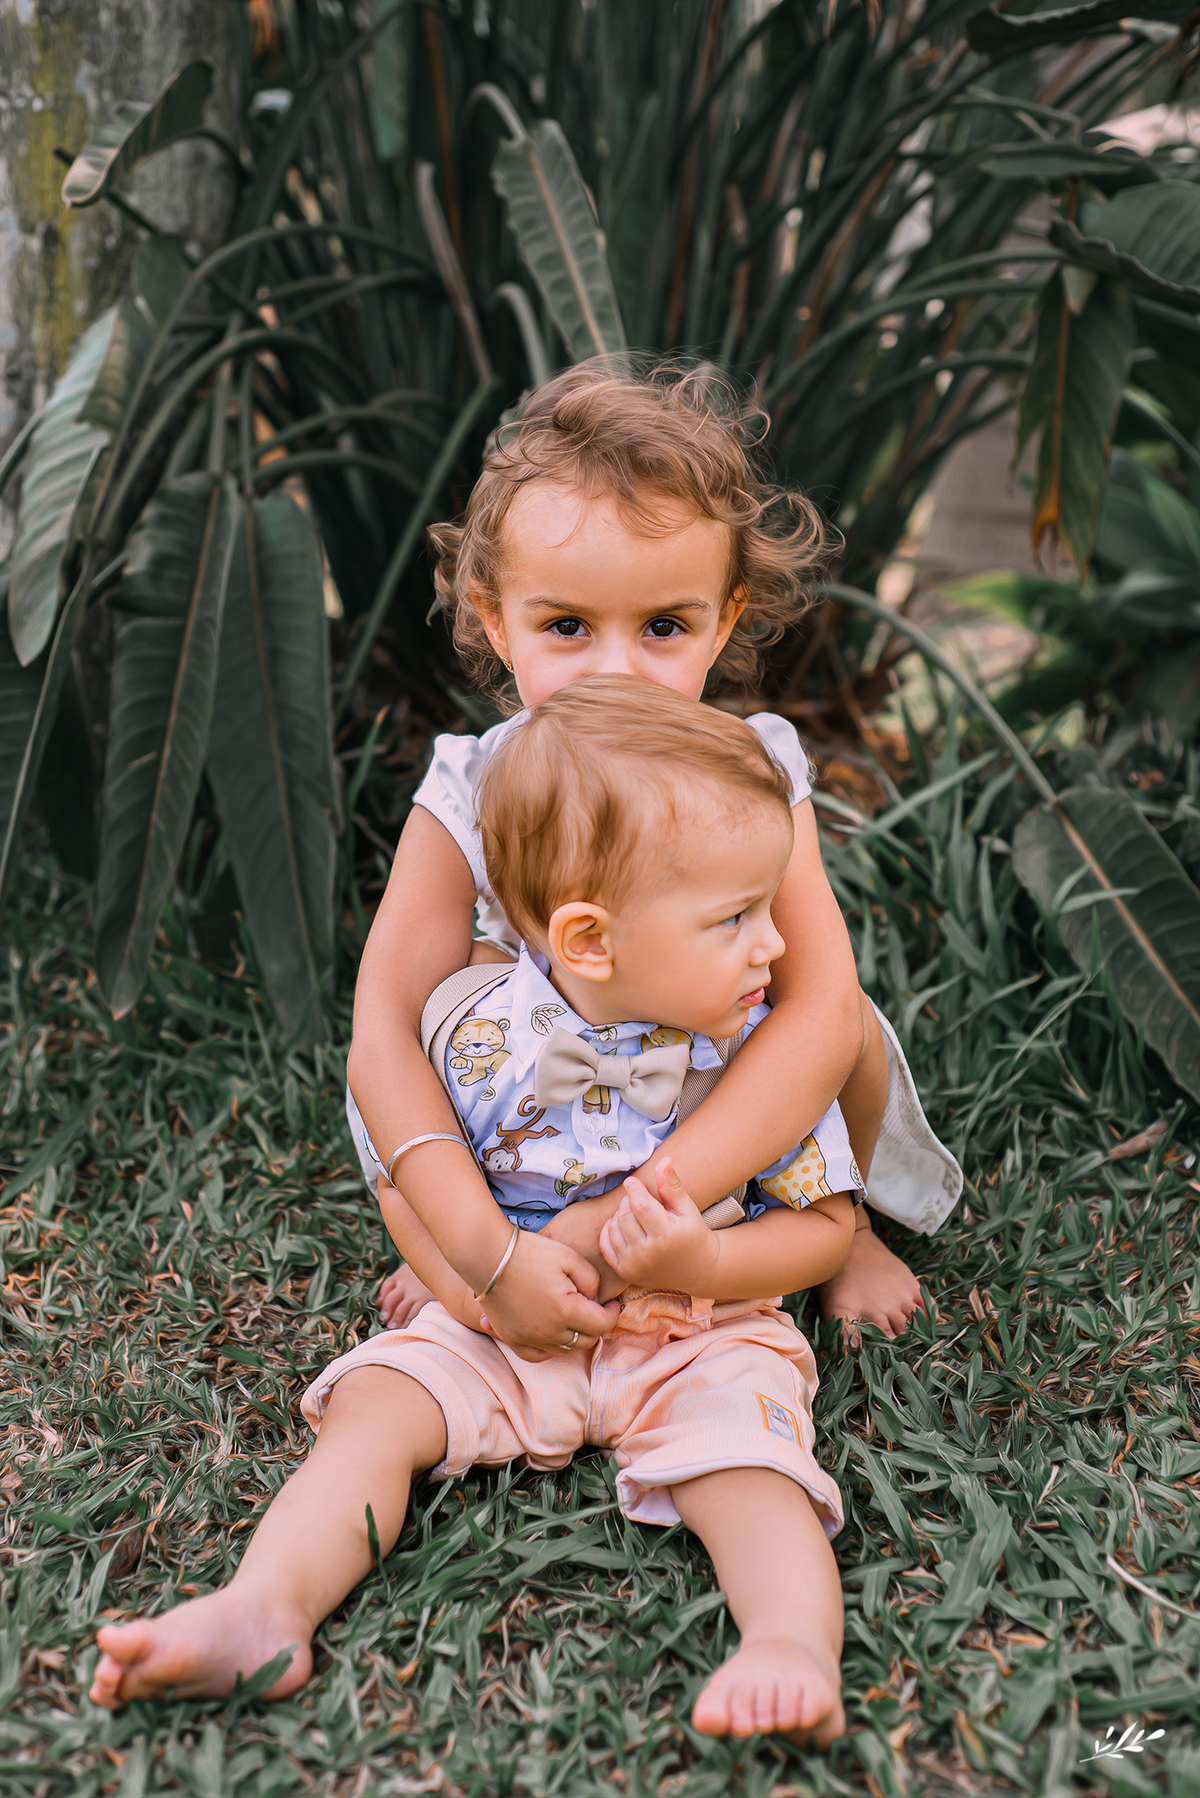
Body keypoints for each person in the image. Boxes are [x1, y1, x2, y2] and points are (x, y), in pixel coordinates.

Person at [90, 681, 862, 1741]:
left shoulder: (757, 1060)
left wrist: (700, 1258)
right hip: (501, 1319)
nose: (776, 944)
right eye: (736, 917)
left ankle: (788, 1642)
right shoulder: (480, 1034)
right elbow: (402, 1170)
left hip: (699, 1328)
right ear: (587, 938)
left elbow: (824, 1230)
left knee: (754, 1464)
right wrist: (473, 1278)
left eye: (769, 906)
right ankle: (262, 1604)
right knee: (375, 1413)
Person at [364, 359, 960, 1350]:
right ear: (491, 616)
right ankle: (495, 1224)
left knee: (844, 1020)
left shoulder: (751, 766)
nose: (616, 671)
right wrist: (478, 1253)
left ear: (722, 621)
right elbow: (384, 1030)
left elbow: (814, 1014)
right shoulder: (470, 786)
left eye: (664, 627)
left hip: (718, 1061)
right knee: (441, 1003)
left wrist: (630, 1213)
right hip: (548, 1086)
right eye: (565, 625)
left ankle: (837, 1222)